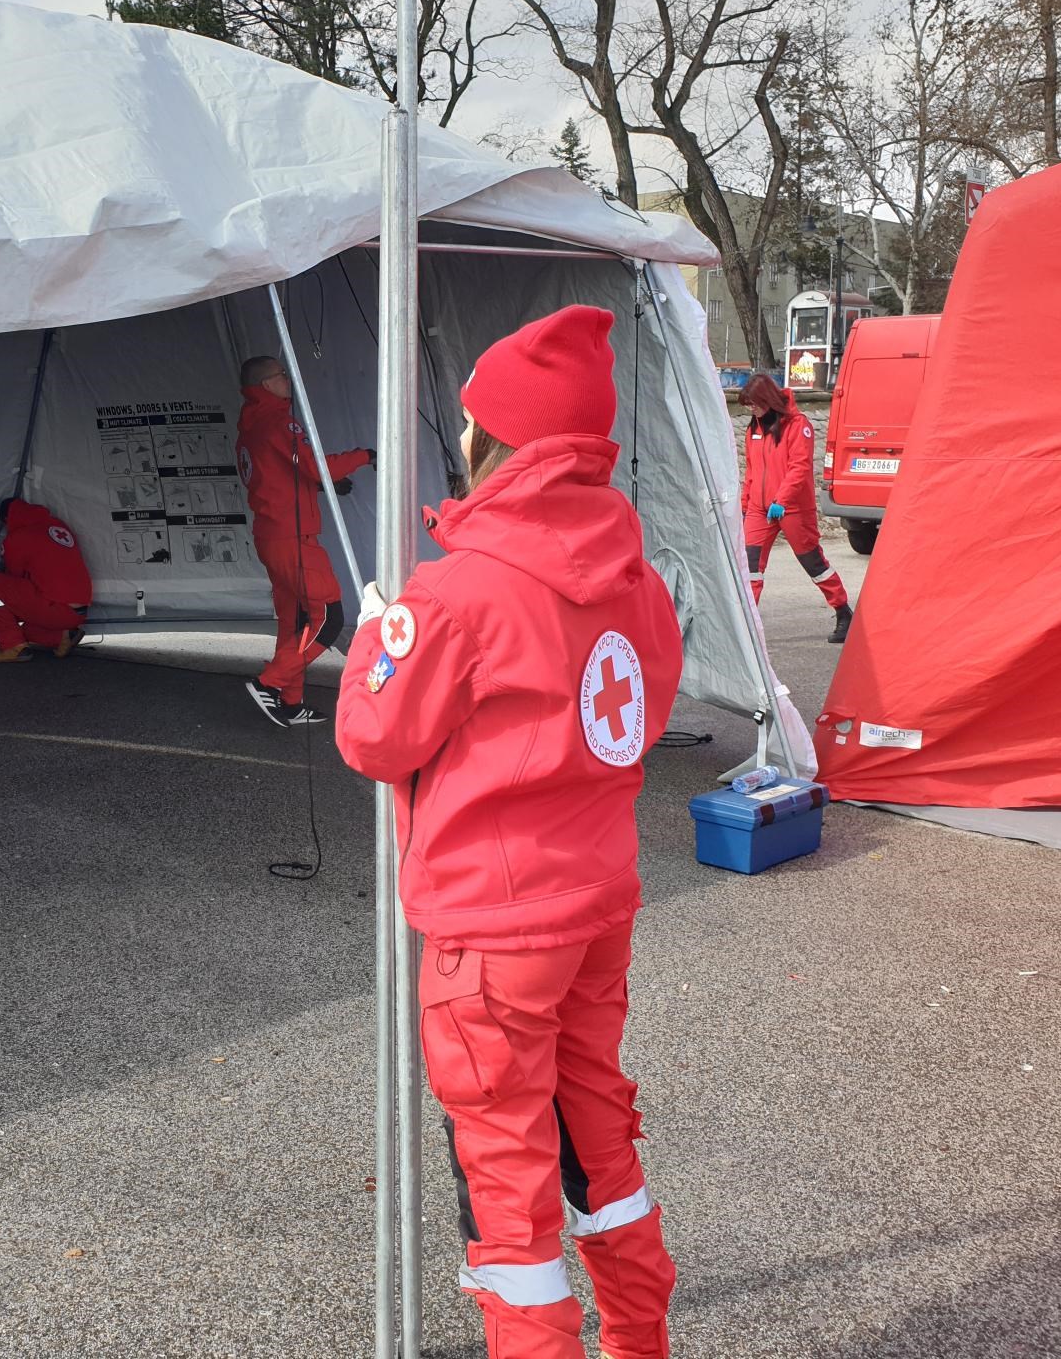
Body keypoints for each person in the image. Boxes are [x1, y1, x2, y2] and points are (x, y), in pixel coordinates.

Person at [334, 305, 684, 1359]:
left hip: (493, 938)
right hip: (597, 907)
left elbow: (371, 739)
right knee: (601, 1148)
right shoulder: (640, 582)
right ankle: (638, 1340)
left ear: (495, 442)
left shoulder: (452, 596)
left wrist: (375, 645)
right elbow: (643, 714)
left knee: (510, 1201)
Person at [234, 355, 372, 727]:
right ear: (266, 384)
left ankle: (289, 702)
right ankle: (269, 683)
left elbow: (285, 472)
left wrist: (322, 482)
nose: (288, 381)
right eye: (282, 375)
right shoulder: (279, 420)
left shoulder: (250, 423)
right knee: (328, 618)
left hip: (272, 535)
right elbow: (313, 465)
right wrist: (365, 456)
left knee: (294, 624)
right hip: (293, 537)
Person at [739, 373, 852, 642]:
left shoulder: (798, 426)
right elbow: (752, 473)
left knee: (814, 564)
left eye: (753, 404)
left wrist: (781, 501)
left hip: (791, 509)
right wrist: (745, 506)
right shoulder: (753, 429)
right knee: (749, 567)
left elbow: (799, 468)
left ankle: (843, 611)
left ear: (766, 400)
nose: (750, 409)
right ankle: (745, 627)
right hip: (758, 509)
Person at [0, 497, 91, 663]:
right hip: (79, 612)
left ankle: (14, 648)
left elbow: (13, 578)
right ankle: (61, 637)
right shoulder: (58, 526)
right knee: (23, 631)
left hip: (55, 609)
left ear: (8, 519)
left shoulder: (18, 537)